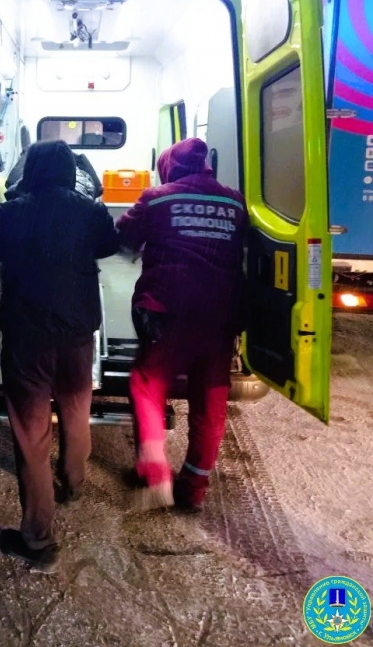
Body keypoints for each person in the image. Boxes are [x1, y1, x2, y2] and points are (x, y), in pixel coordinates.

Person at [0, 140, 121, 573]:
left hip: (27, 341)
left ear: (32, 170)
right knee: (77, 413)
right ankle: (73, 485)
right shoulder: (91, 211)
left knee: (31, 436)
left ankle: (38, 539)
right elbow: (109, 246)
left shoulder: (11, 212)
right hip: (76, 337)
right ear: (69, 171)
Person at [116, 137, 248, 511]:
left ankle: (155, 472)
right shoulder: (235, 201)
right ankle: (193, 489)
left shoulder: (157, 198)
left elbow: (124, 240)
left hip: (166, 309)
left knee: (147, 385)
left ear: (169, 166)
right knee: (210, 399)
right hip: (220, 314)